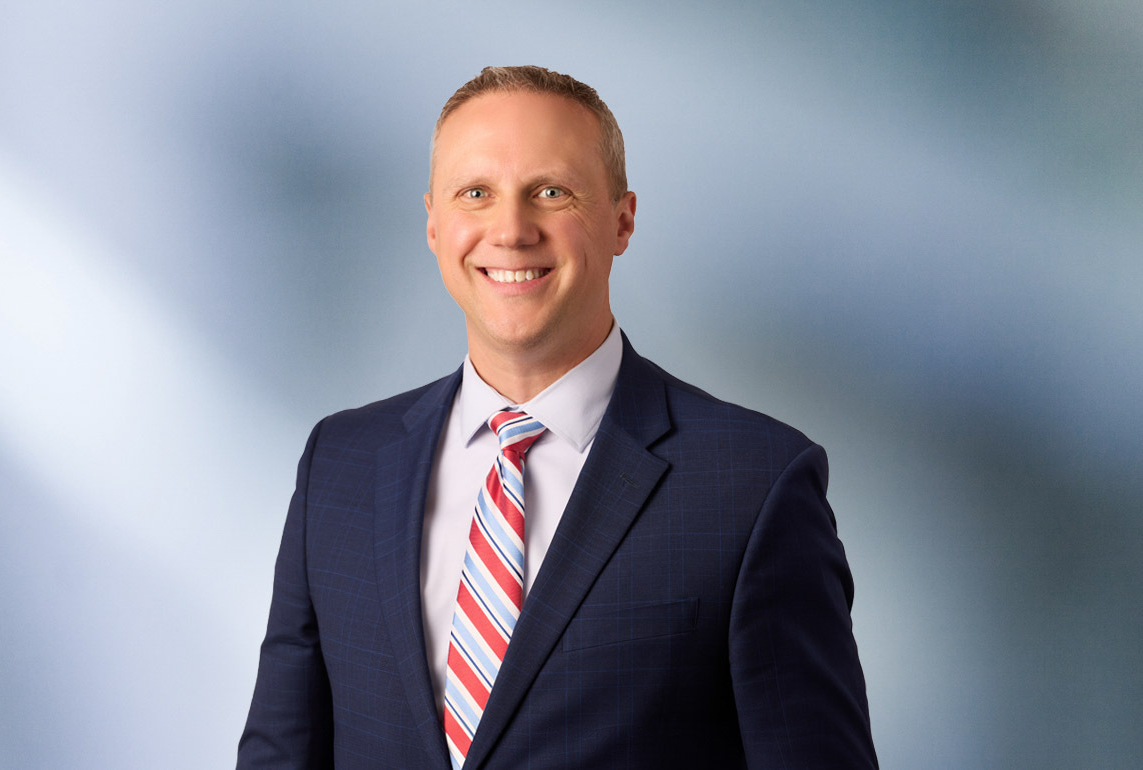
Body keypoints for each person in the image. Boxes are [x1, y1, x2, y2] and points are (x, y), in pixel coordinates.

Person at [237, 65, 876, 769]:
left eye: (551, 192)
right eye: (475, 193)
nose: (510, 230)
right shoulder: (341, 465)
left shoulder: (752, 484)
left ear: (622, 220)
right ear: (433, 222)